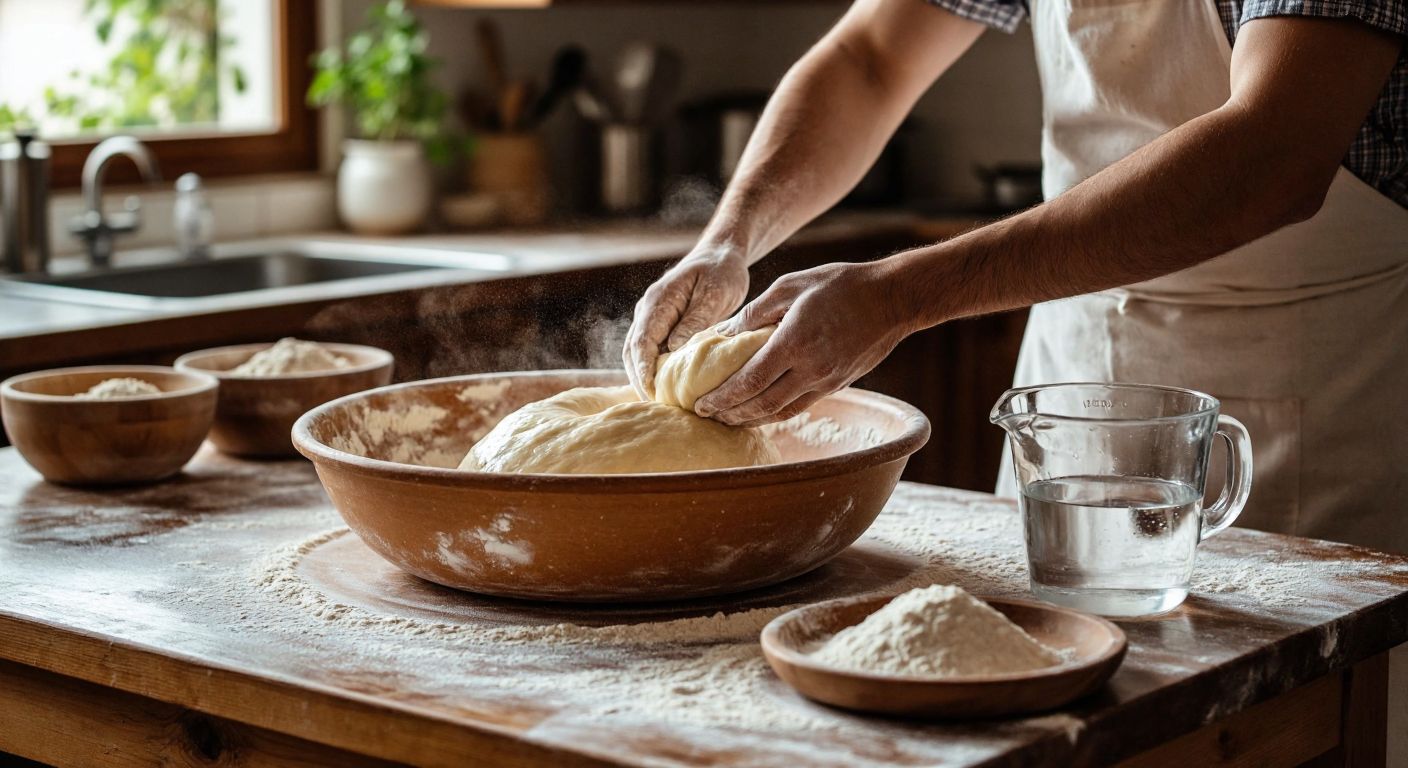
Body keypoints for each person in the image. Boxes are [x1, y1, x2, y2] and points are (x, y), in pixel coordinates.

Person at [624, 0, 1406, 756]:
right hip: (1072, 365)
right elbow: (871, 57)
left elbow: (1273, 152)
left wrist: (902, 294)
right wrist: (728, 241)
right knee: (1043, 716)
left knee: (1272, 719)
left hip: (1309, 376)